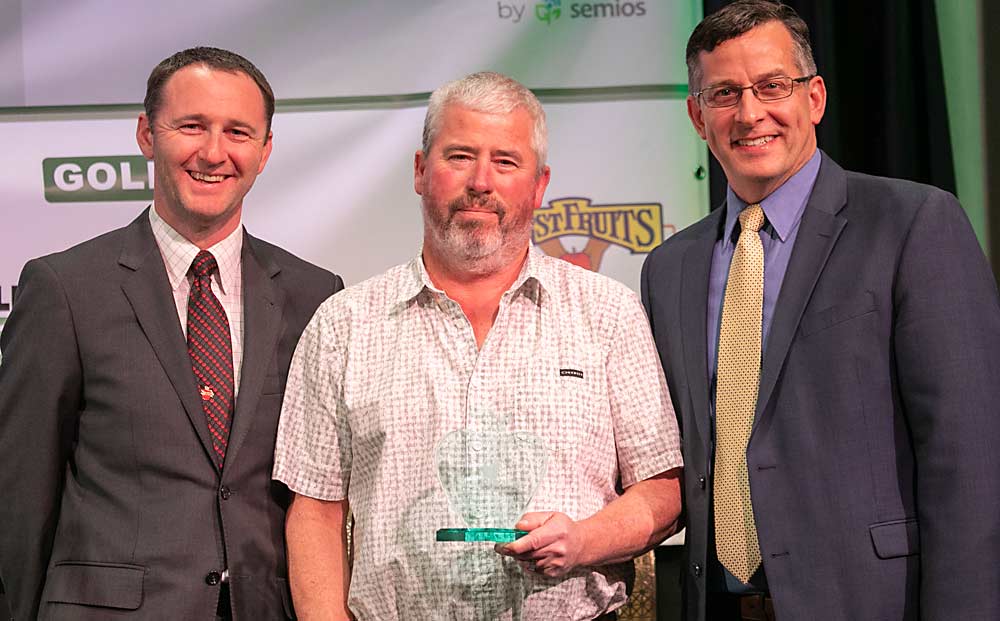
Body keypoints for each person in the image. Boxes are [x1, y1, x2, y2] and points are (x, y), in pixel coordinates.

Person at [272, 71, 683, 621]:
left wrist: (583, 541)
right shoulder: (343, 325)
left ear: (539, 184)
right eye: (460, 157)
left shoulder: (608, 313)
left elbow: (661, 492)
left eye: (506, 162)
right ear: (421, 171)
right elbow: (315, 512)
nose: (480, 182)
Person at [641, 1, 1000, 620]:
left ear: (815, 98)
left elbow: (969, 460)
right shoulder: (668, 267)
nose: (750, 113)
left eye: (771, 86)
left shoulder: (914, 223)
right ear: (699, 117)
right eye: (725, 93)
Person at [0, 47, 342, 620]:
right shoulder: (63, 287)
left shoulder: (316, 295)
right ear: (146, 134)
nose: (214, 152)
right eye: (191, 126)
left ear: (265, 150)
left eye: (238, 132)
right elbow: (19, 495)